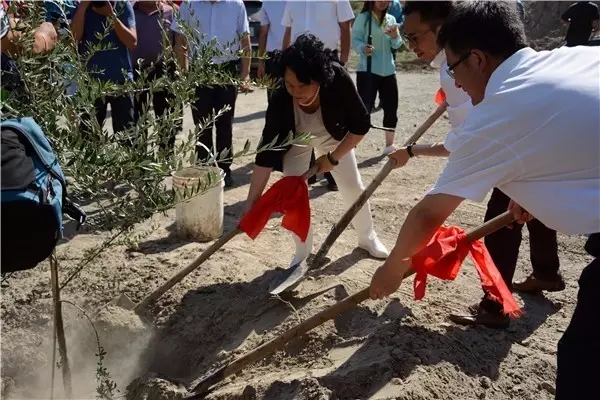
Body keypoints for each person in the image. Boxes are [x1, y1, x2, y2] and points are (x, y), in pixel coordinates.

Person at [369, 2, 599, 398]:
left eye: (453, 69)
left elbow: (428, 214)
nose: (455, 84)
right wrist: (542, 189)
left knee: (583, 363)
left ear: (477, 59)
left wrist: (392, 268)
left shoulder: (500, 109)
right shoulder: (571, 58)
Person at [396, 0, 564, 329]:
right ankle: (546, 271)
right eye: (407, 39)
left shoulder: (456, 69)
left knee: (501, 223)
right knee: (532, 198)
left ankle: (494, 306)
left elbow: (468, 139)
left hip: (510, 142)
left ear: (441, 29)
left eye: (415, 37)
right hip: (531, 139)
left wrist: (414, 151)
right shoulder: (474, 57)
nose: (411, 46)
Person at [245, 34, 390, 270]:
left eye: (303, 86)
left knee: (352, 186)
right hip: (296, 139)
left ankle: (367, 237)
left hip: (333, 135)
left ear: (319, 80)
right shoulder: (281, 94)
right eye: (290, 84)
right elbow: (266, 152)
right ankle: (302, 253)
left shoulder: (336, 78)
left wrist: (333, 158)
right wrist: (251, 203)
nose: (295, 91)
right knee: (294, 193)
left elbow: (360, 125)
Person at [171, 0, 251, 188]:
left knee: (225, 124)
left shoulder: (236, 5)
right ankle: (204, 169)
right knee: (202, 125)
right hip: (199, 70)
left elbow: (245, 40)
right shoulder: (189, 4)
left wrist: (245, 73)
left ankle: (224, 169)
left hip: (226, 70)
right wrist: (184, 73)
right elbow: (180, 40)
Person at [71, 0, 138, 144]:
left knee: (127, 137)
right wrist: (83, 7)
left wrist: (112, 16)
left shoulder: (122, 5)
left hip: (121, 80)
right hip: (91, 83)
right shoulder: (82, 7)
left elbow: (132, 42)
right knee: (88, 137)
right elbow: (74, 38)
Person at [132, 0, 181, 157]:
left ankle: (166, 157)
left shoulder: (171, 12)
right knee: (138, 119)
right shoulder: (130, 11)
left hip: (165, 70)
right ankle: (140, 161)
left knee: (166, 117)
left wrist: (181, 71)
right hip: (137, 72)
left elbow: (180, 43)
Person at [352, 0, 402, 154]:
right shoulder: (363, 18)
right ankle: (351, 144)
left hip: (389, 71)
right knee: (364, 109)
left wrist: (395, 36)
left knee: (391, 107)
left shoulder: (391, 19)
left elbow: (397, 45)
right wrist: (363, 47)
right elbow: (355, 39)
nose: (383, 2)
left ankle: (389, 145)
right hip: (367, 70)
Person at [256, 0, 287, 102]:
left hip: (274, 58)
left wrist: (261, 63)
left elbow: (263, 33)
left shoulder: (268, 2)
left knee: (274, 99)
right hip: (295, 55)